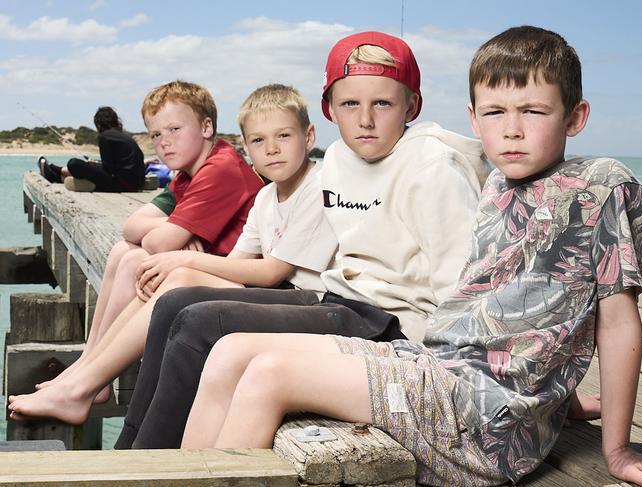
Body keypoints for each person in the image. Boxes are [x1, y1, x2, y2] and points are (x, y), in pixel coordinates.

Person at [179, 26, 642, 487]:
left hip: (485, 420)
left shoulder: (602, 184)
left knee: (270, 374)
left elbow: (617, 321)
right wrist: (560, 394)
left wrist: (616, 449)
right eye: (494, 112)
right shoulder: (496, 186)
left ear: (575, 116)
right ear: (472, 118)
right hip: (435, 368)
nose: (511, 130)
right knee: (232, 350)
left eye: (533, 111)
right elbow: (512, 318)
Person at [113, 30, 492, 449]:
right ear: (330, 109)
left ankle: (149, 460)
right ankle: (130, 451)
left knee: (202, 324)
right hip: (339, 298)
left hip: (395, 325)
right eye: (350, 104)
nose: (365, 120)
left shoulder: (434, 169)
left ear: (412, 105)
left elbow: (463, 290)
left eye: (382, 103)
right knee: (175, 304)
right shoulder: (339, 159)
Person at [6, 83, 337, 425]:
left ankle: (85, 384)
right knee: (138, 257)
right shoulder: (261, 195)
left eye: (175, 130)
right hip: (248, 280)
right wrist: (175, 244)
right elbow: (137, 230)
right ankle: (84, 375)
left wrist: (182, 254)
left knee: (161, 269)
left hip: (290, 298)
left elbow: (268, 272)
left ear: (309, 136)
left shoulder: (239, 171)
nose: (164, 141)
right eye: (258, 141)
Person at [38, 106, 145, 192]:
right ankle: (55, 174)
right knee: (88, 165)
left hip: (124, 184)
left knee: (74, 163)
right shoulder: (123, 137)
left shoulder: (105, 136)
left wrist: (93, 165)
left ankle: (56, 171)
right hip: (134, 184)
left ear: (98, 124)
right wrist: (95, 164)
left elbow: (108, 168)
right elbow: (114, 166)